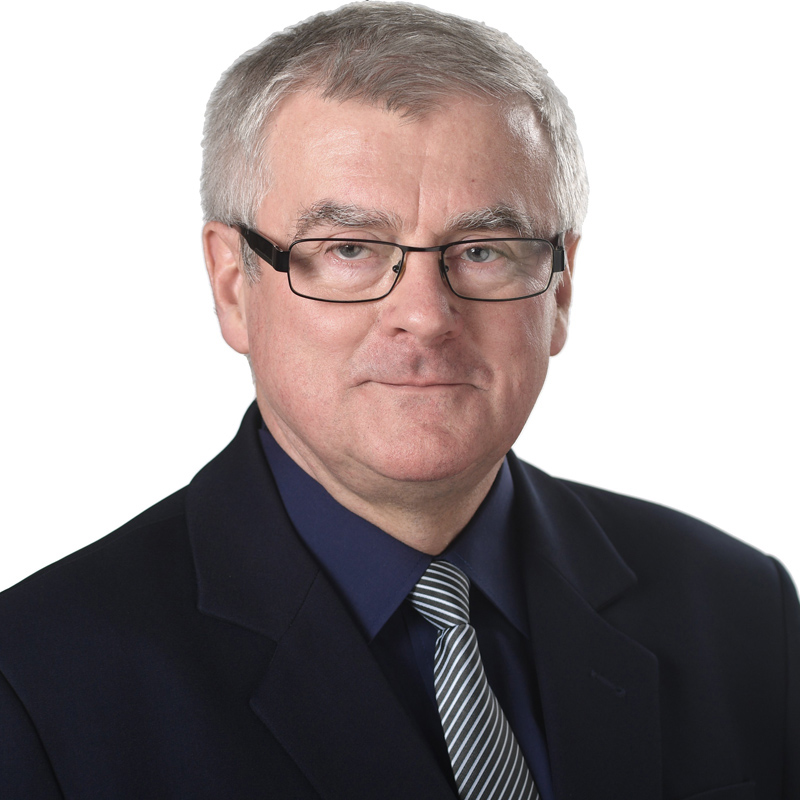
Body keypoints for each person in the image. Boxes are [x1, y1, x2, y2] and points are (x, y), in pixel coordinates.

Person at [0, 3, 797, 798]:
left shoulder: (744, 613)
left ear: (560, 290)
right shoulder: (35, 684)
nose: (424, 315)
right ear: (233, 284)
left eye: (482, 249)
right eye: (349, 248)